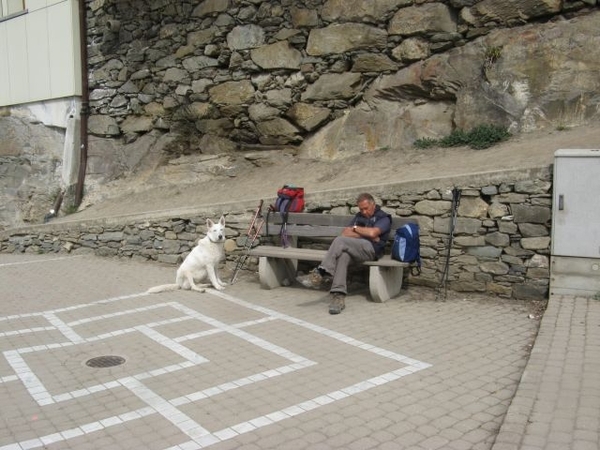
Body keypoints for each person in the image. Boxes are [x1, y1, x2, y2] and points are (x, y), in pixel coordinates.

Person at [296, 193, 392, 314]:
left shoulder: (383, 218)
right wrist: (366, 233)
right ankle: (338, 295)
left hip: (371, 250)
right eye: (361, 209)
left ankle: (321, 273)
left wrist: (357, 229)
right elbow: (345, 233)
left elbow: (373, 233)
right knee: (343, 255)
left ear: (373, 205)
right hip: (354, 248)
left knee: (339, 242)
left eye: (366, 208)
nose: (363, 212)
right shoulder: (358, 216)